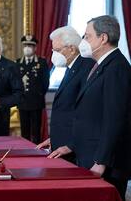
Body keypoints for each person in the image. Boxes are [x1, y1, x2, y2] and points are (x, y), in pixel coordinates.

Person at [53, 15, 131, 200]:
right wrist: (71, 145)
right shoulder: (101, 65)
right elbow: (89, 114)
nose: (83, 41)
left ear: (102, 38)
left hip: (104, 162)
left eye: (87, 36)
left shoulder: (117, 68)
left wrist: (101, 161)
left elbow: (115, 119)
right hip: (89, 153)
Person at [36, 26, 94, 163]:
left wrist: (71, 144)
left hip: (75, 149)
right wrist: (55, 138)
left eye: (57, 50)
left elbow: (86, 113)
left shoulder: (86, 68)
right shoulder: (71, 68)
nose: (53, 54)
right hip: (63, 143)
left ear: (72, 49)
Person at [16, 35, 49, 144]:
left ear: (35, 48)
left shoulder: (42, 63)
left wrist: (38, 95)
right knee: (24, 131)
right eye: (25, 45)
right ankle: (24, 148)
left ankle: (36, 150)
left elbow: (45, 83)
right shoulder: (17, 63)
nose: (27, 48)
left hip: (36, 102)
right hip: (22, 102)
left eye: (30, 45)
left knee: (36, 131)